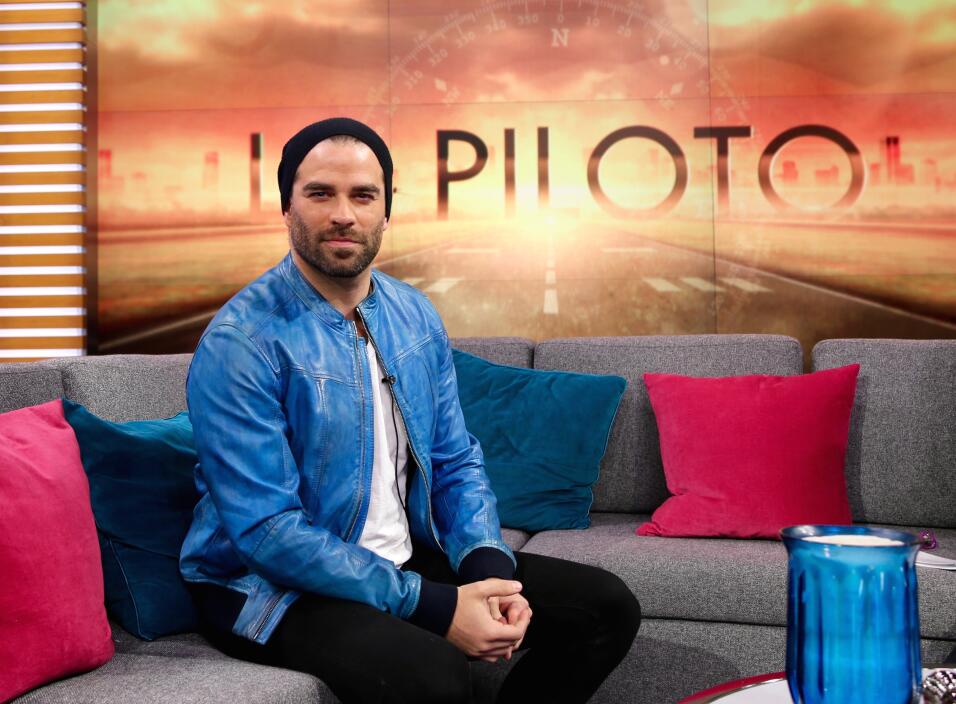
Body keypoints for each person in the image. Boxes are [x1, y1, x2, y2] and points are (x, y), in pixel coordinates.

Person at [180, 117, 640, 704]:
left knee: (605, 608)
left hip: (396, 557)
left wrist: (488, 571)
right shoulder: (241, 341)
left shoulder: (414, 315)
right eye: (320, 194)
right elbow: (267, 531)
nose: (343, 214)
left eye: (362, 195)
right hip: (266, 585)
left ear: (386, 211)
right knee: (433, 675)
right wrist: (436, 606)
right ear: (287, 208)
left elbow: (454, 459)